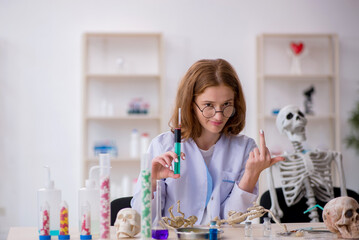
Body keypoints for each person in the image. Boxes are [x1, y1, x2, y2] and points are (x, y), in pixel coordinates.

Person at [131, 58, 284, 225]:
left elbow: (232, 221)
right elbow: (141, 220)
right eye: (208, 105)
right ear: (190, 104)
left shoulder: (245, 148)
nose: (219, 116)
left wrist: (251, 175)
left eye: (227, 104)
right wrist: (151, 182)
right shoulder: (162, 145)